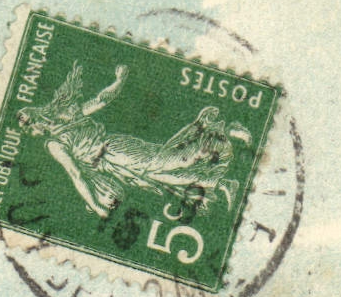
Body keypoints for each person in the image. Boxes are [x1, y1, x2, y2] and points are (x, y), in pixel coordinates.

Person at [17, 62, 251, 220]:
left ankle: (225, 132)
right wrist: (120, 79)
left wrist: (97, 207)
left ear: (36, 120)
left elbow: (76, 174)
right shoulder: (61, 127)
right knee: (161, 176)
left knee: (164, 162)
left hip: (113, 150)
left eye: (29, 128)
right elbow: (100, 101)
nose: (32, 133)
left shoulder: (55, 142)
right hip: (112, 165)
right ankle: (222, 184)